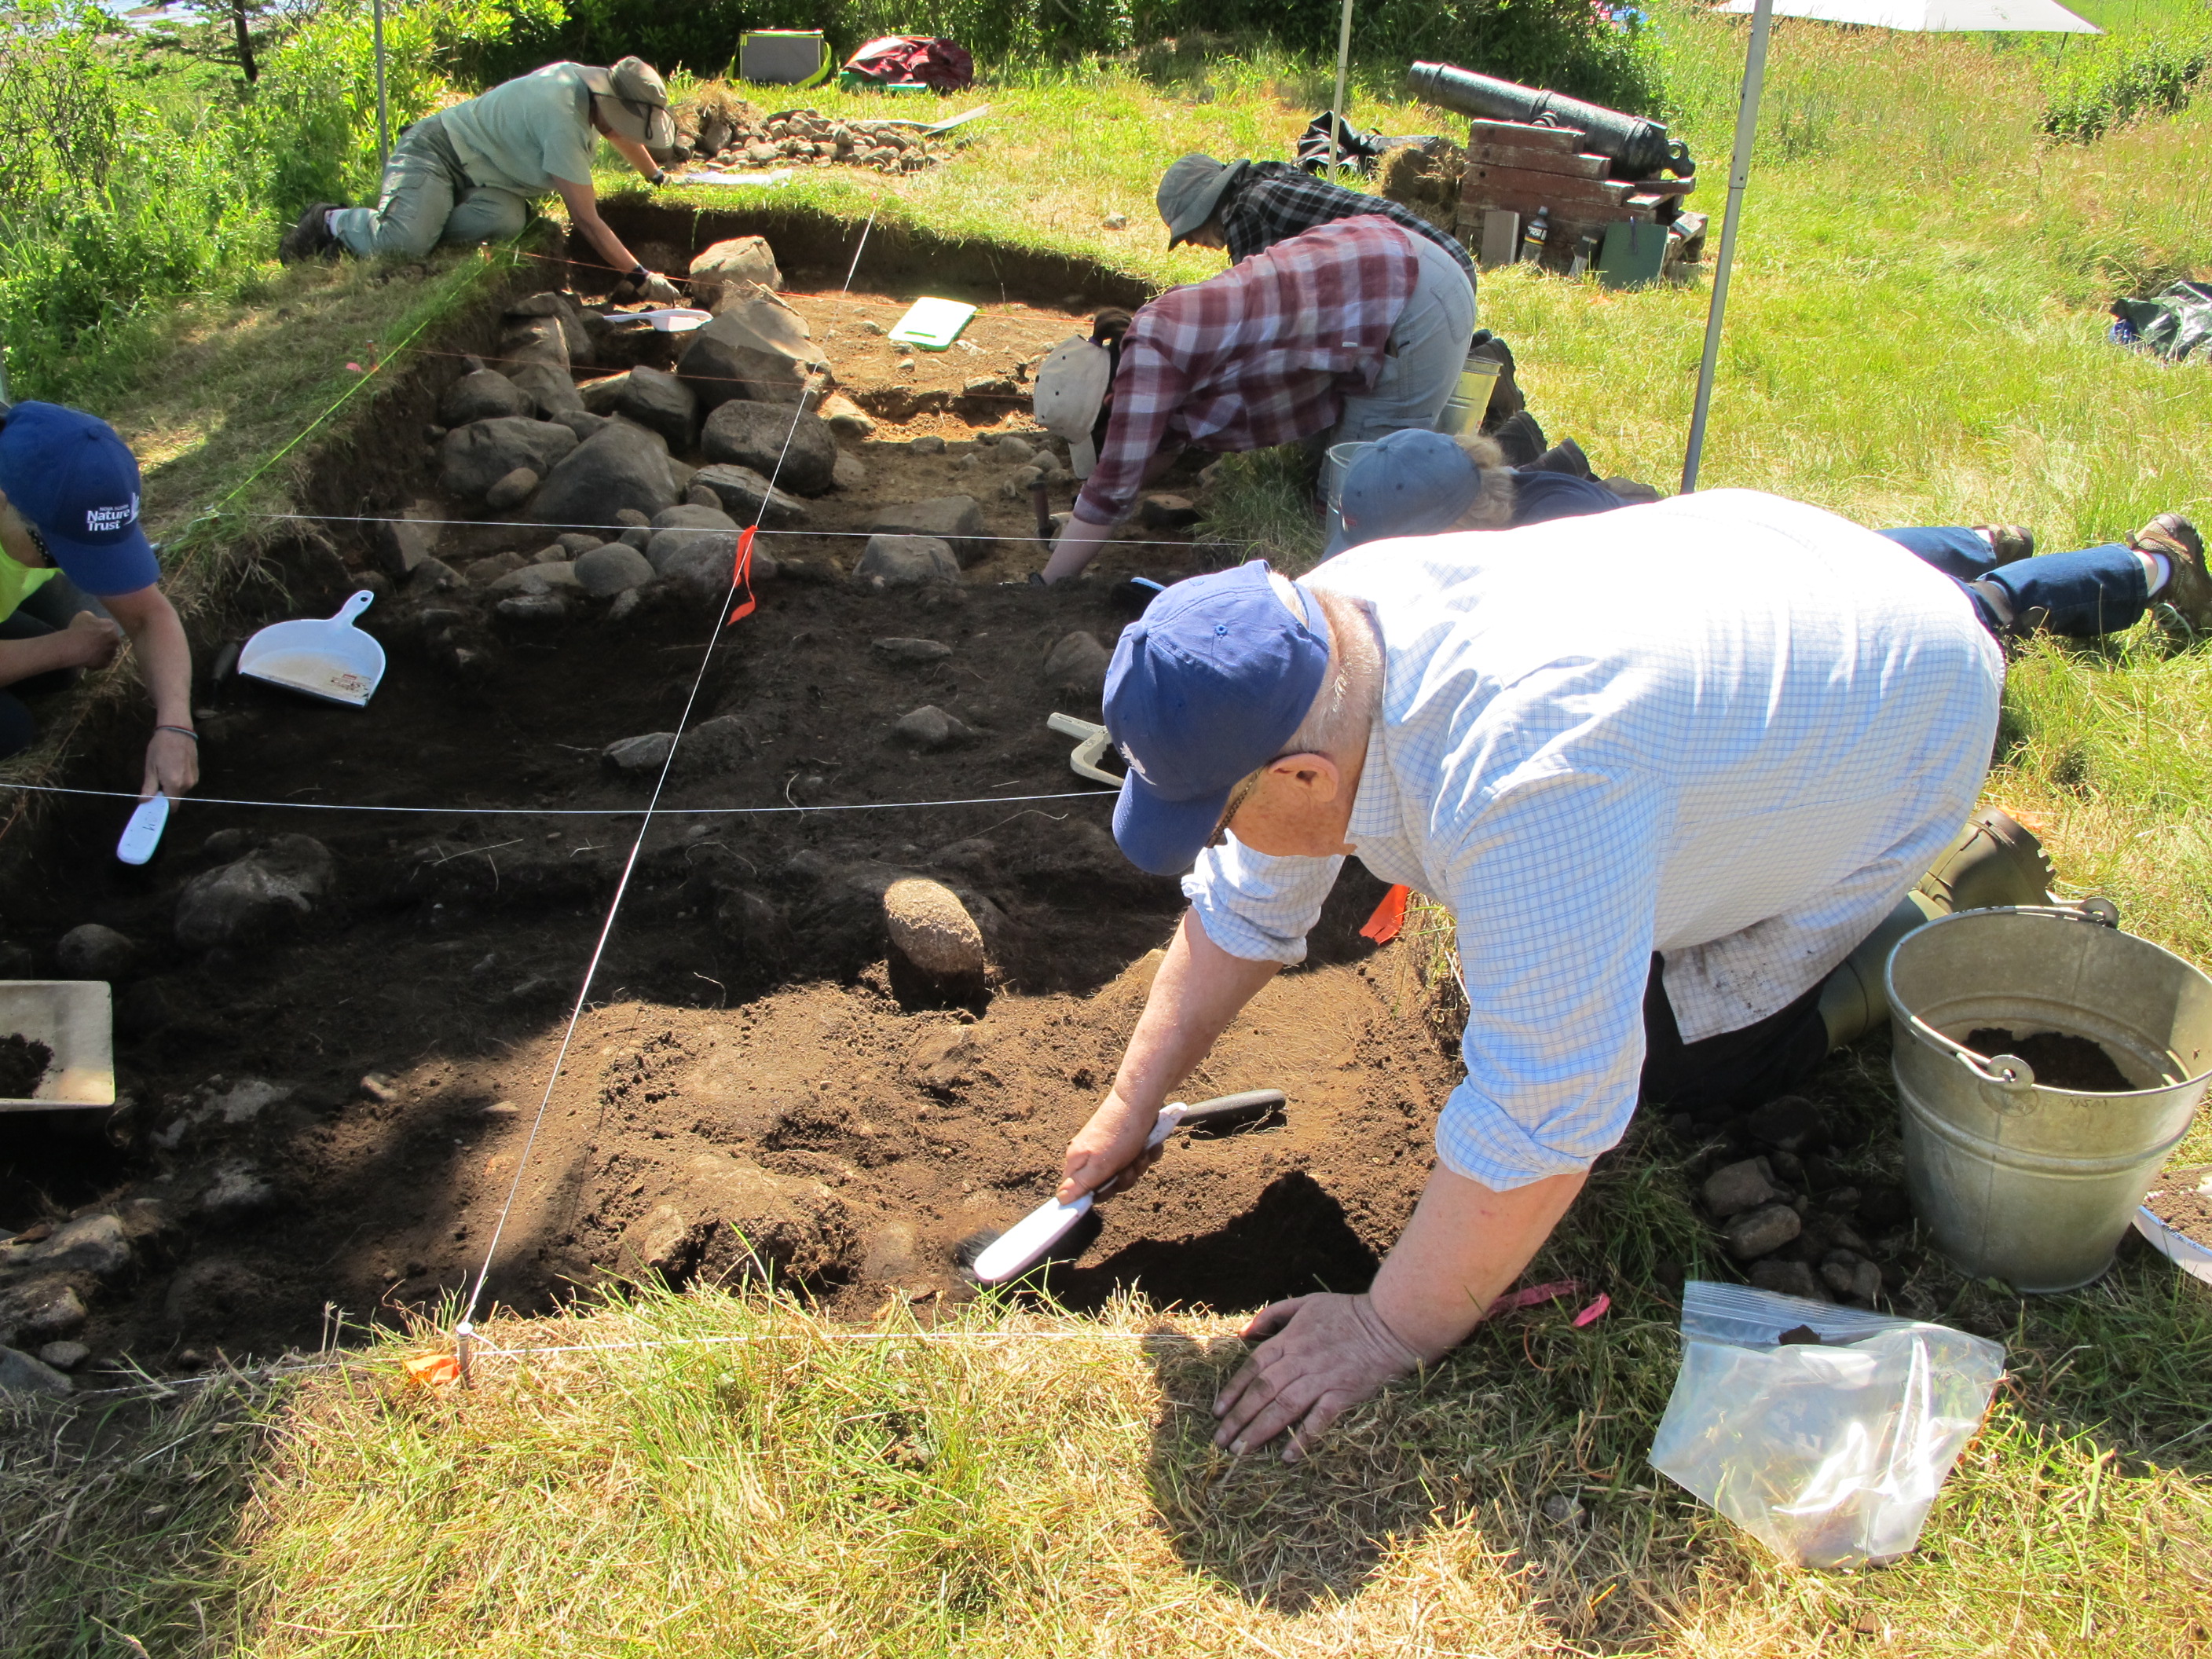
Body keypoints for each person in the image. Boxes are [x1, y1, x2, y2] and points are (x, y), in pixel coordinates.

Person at [1053, 491, 2007, 1459]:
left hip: (1909, 714)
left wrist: (1388, 1326)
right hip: (1788, 586)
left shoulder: (1529, 783)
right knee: (1561, 960)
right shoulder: (1311, 640)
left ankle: (1901, 931)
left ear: (1304, 777)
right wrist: (1132, 1103)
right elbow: (1247, 902)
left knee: (1666, 1064)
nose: (1219, 839)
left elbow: (1546, 1107)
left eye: (1216, 816)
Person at [1327, 428, 2212, 643]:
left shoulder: (1547, 552)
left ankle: (2150, 568)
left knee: (1970, 613)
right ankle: (1981, 534)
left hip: (1752, 615)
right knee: (1857, 547)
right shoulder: (1515, 490)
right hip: (1733, 546)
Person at [1034, 215, 1476, 585]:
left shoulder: (1148, 364)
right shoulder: (1150, 338)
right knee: (1324, 473)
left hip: (1410, 300)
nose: (1109, 447)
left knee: (1355, 495)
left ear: (1112, 400)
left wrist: (1045, 583)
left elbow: (1112, 491)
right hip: (1380, 261)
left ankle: (1355, 609)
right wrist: (1080, 517)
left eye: (1102, 437)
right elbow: (1150, 457)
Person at [278, 57, 687, 302]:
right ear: (611, 102)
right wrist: (641, 278)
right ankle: (331, 221)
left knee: (508, 223)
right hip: (436, 152)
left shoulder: (591, 84)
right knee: (403, 244)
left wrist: (656, 177)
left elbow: (615, 130)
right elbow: (587, 221)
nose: (622, 129)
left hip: (485, 175)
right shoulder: (563, 119)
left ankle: (421, 215)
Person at [0, 402, 198, 797]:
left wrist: (176, 723)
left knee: (61, 658)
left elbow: (147, 616)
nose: (70, 564)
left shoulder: (44, 468)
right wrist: (69, 646)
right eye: (59, 550)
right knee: (10, 730)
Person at [1155, 153, 1477, 286]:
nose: (1191, 243)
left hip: (1424, 274)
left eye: (1189, 232)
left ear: (1206, 207)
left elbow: (1255, 315)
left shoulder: (1246, 213)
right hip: (1444, 259)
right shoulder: (1268, 178)